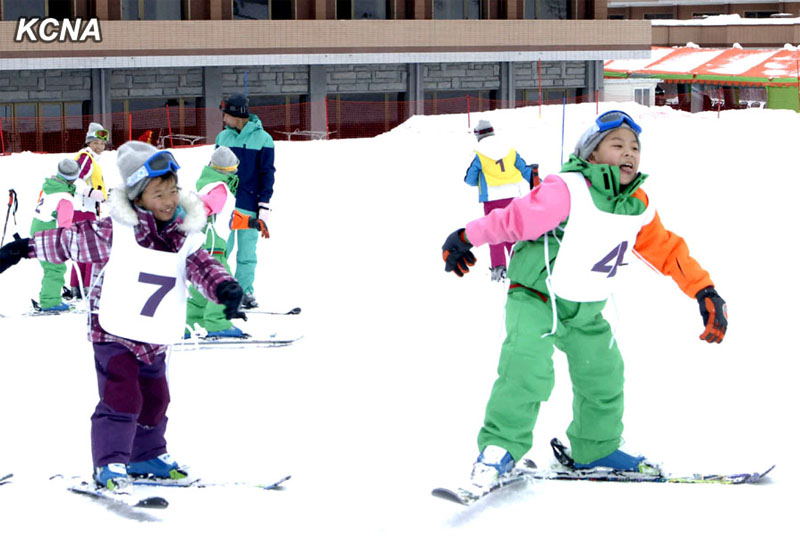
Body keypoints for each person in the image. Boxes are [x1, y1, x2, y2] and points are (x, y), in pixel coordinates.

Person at [441, 110, 728, 490]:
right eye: (617, 145)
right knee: (525, 370)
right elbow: (514, 220)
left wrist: (703, 289)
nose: (629, 153)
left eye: (635, 147)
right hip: (536, 295)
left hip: (586, 304)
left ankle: (596, 447)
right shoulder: (567, 189)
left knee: (604, 375)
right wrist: (467, 236)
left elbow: (667, 249)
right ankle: (499, 448)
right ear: (591, 153)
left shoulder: (636, 204)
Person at [0, 141, 245, 490]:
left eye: (173, 190)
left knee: (157, 398)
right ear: (137, 197)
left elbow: (203, 266)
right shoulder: (116, 231)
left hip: (154, 334)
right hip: (113, 332)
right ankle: (110, 462)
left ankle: (146, 456)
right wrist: (23, 248)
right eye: (159, 193)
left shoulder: (183, 236)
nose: (169, 200)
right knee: (122, 395)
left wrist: (225, 288)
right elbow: (70, 242)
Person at [186, 146, 265, 338]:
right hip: (213, 245)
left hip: (203, 244)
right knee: (223, 282)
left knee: (202, 285)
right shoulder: (220, 188)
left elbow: (226, 216)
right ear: (230, 169)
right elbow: (206, 206)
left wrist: (250, 222)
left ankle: (192, 320)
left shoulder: (210, 184)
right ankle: (217, 323)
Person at [215, 93, 275, 309]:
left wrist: (264, 205)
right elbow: (215, 171)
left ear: (236, 114)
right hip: (226, 206)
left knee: (247, 253)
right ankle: (223, 291)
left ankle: (245, 292)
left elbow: (267, 174)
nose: (223, 119)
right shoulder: (223, 138)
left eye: (226, 115)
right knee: (223, 250)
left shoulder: (263, 139)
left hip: (250, 206)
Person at [463, 119, 532, 282]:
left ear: (478, 136)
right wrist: (538, 182)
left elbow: (470, 179)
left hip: (492, 198)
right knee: (512, 231)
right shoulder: (509, 149)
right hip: (513, 196)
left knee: (494, 232)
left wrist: (482, 178)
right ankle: (519, 264)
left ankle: (499, 268)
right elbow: (523, 168)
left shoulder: (480, 154)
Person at [30, 158, 81, 312]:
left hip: (38, 226)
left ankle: (49, 296)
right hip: (48, 231)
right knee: (55, 268)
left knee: (51, 266)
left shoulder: (51, 187)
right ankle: (50, 302)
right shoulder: (65, 198)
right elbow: (65, 224)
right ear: (75, 177)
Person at [69, 122, 108, 299]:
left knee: (83, 249)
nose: (99, 146)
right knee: (91, 249)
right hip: (83, 209)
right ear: (88, 143)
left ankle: (78, 286)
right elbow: (75, 179)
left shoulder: (90, 158)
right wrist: (91, 192)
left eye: (102, 143)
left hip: (85, 208)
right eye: (96, 142)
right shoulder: (86, 157)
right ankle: (88, 286)